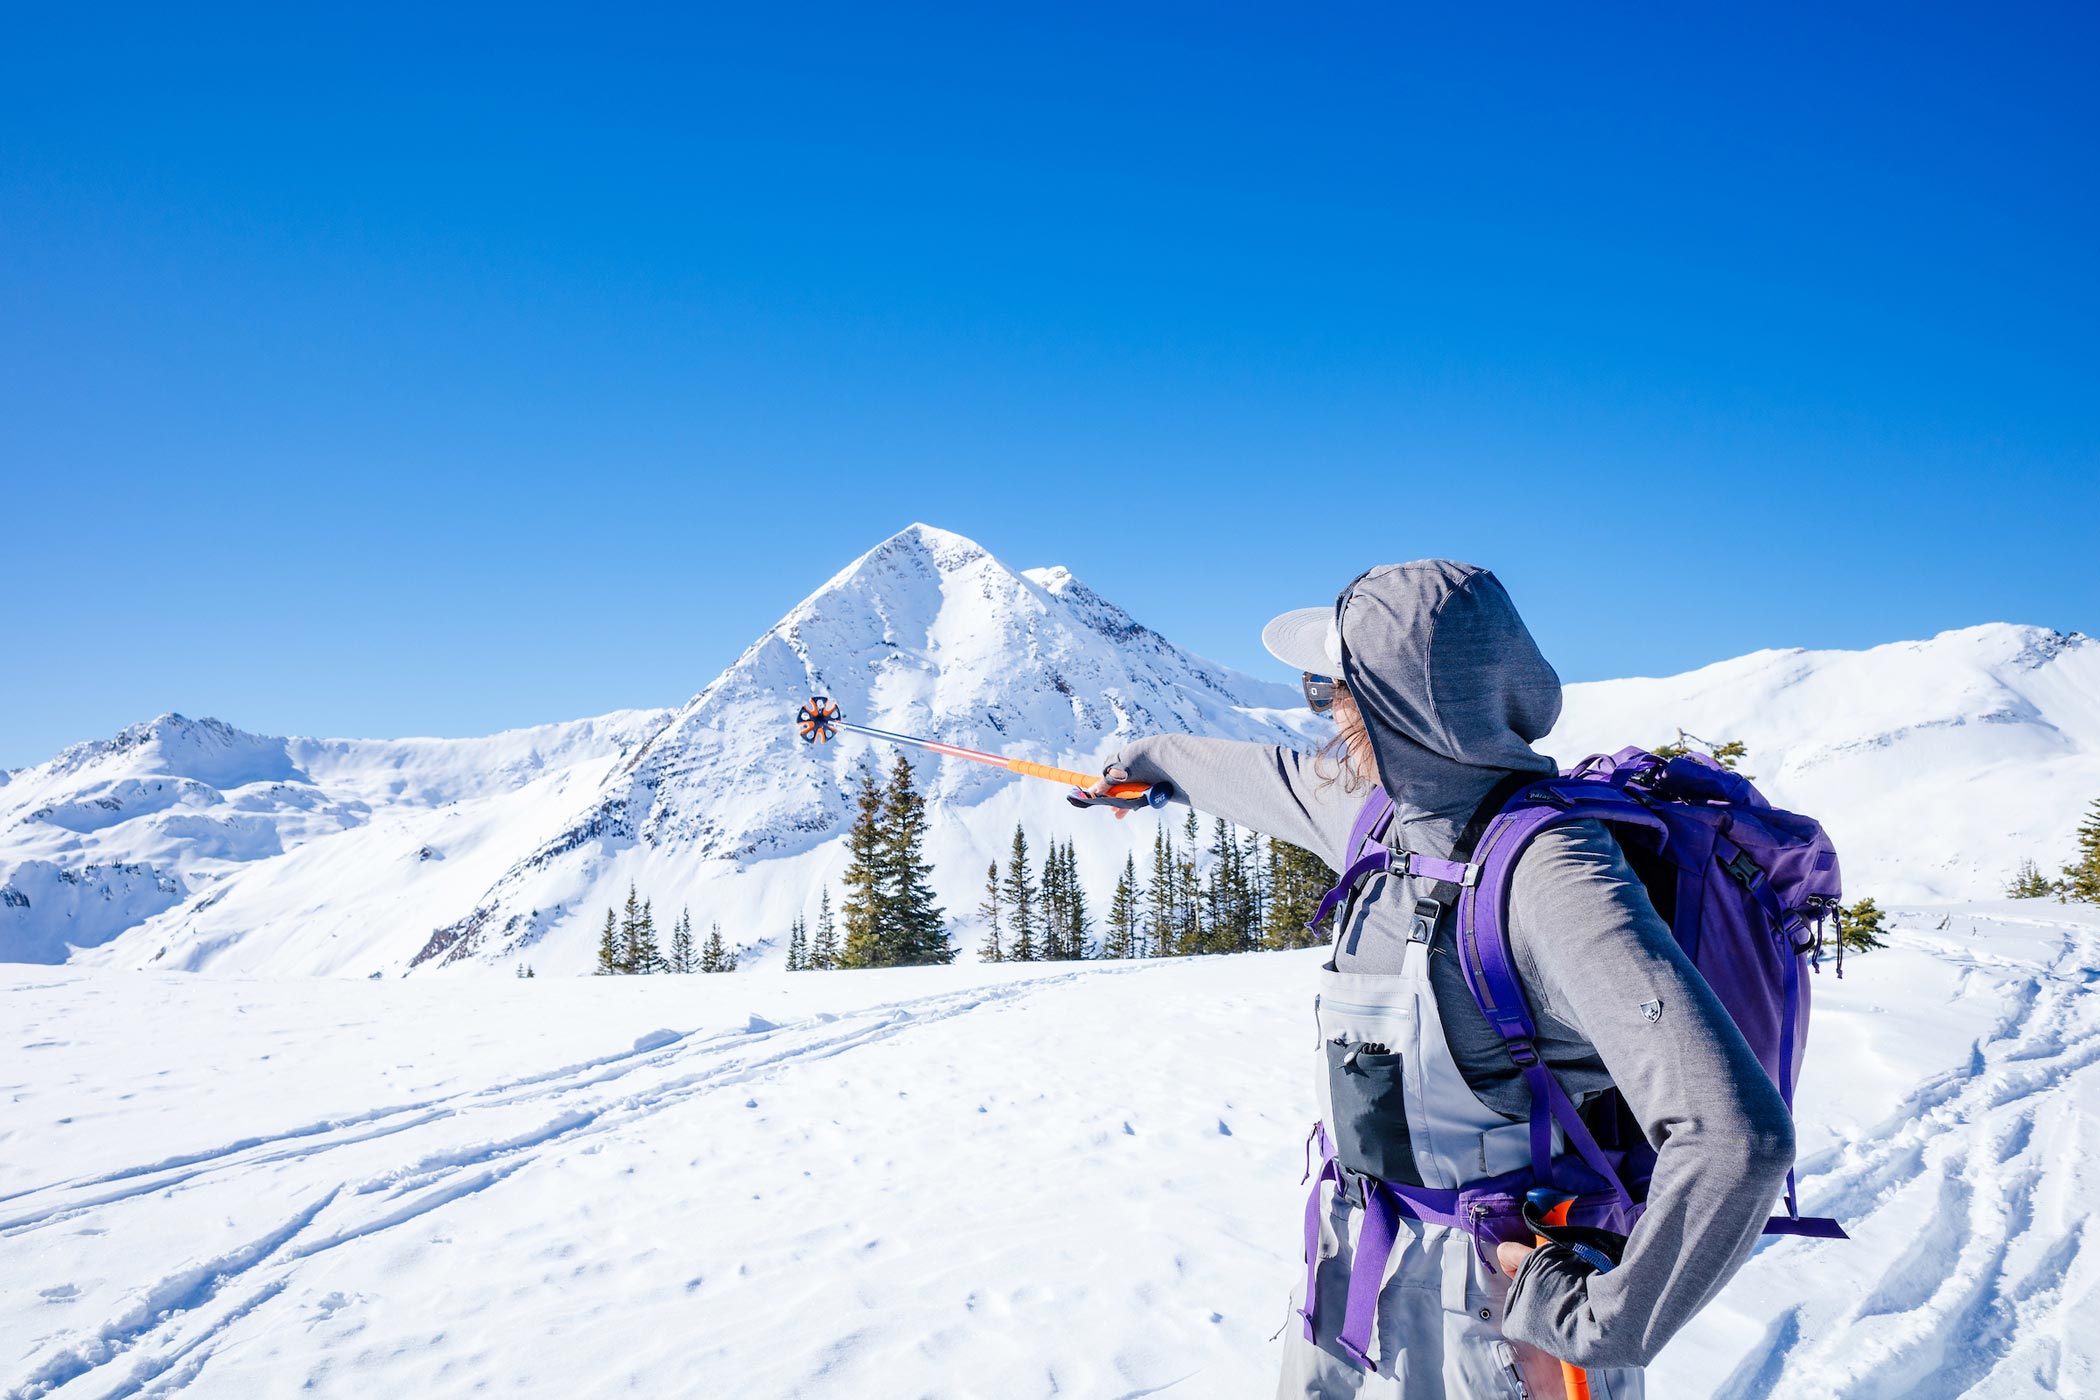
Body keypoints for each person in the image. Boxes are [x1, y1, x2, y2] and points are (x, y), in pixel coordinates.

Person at [1085, 561, 1794, 1399]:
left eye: (1330, 692)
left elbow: (1737, 1138)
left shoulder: (1553, 875)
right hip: (1354, 1264)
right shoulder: (1381, 816)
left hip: (1499, 1311)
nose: (1325, 720)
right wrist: (1146, 760)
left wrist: (1601, 1321)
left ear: (1391, 710)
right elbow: (1264, 777)